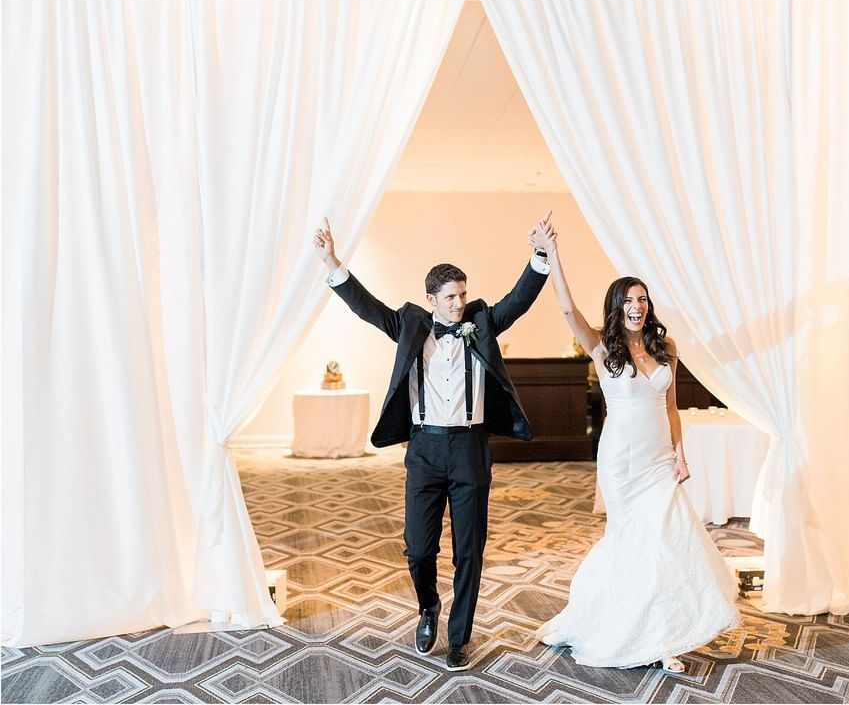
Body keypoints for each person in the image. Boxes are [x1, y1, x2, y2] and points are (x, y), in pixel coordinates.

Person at [313, 217, 550, 671]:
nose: (459, 304)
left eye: (462, 295)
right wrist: (332, 263)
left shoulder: (482, 322)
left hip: (470, 449)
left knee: (469, 551)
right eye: (450, 297)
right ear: (431, 300)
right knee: (419, 549)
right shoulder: (409, 324)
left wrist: (539, 255)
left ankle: (459, 637)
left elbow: (518, 300)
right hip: (424, 450)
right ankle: (428, 607)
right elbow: (367, 307)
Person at [528, 220, 740, 672]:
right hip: (622, 464)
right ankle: (620, 624)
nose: (636, 306)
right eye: (628, 300)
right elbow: (567, 309)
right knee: (634, 544)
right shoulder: (603, 349)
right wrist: (551, 254)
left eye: (642, 299)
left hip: (659, 461)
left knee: (667, 542)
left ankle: (664, 635)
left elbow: (671, 408)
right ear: (616, 308)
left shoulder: (666, 348)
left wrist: (681, 454)